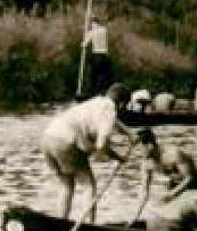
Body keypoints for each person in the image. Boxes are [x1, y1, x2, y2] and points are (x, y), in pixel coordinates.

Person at [40, 84, 131, 222]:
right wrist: (119, 158)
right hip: (66, 140)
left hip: (47, 138)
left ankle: (61, 222)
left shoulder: (97, 102)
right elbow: (101, 146)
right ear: (122, 103)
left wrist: (129, 133)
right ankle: (90, 225)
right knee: (89, 185)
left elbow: (111, 121)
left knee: (66, 185)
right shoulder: (111, 111)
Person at [131, 129, 197, 223]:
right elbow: (144, 190)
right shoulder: (146, 162)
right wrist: (135, 216)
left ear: (150, 146)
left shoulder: (173, 153)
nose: (139, 153)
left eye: (140, 149)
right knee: (160, 211)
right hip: (175, 185)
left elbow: (189, 178)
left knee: (181, 216)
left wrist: (172, 194)